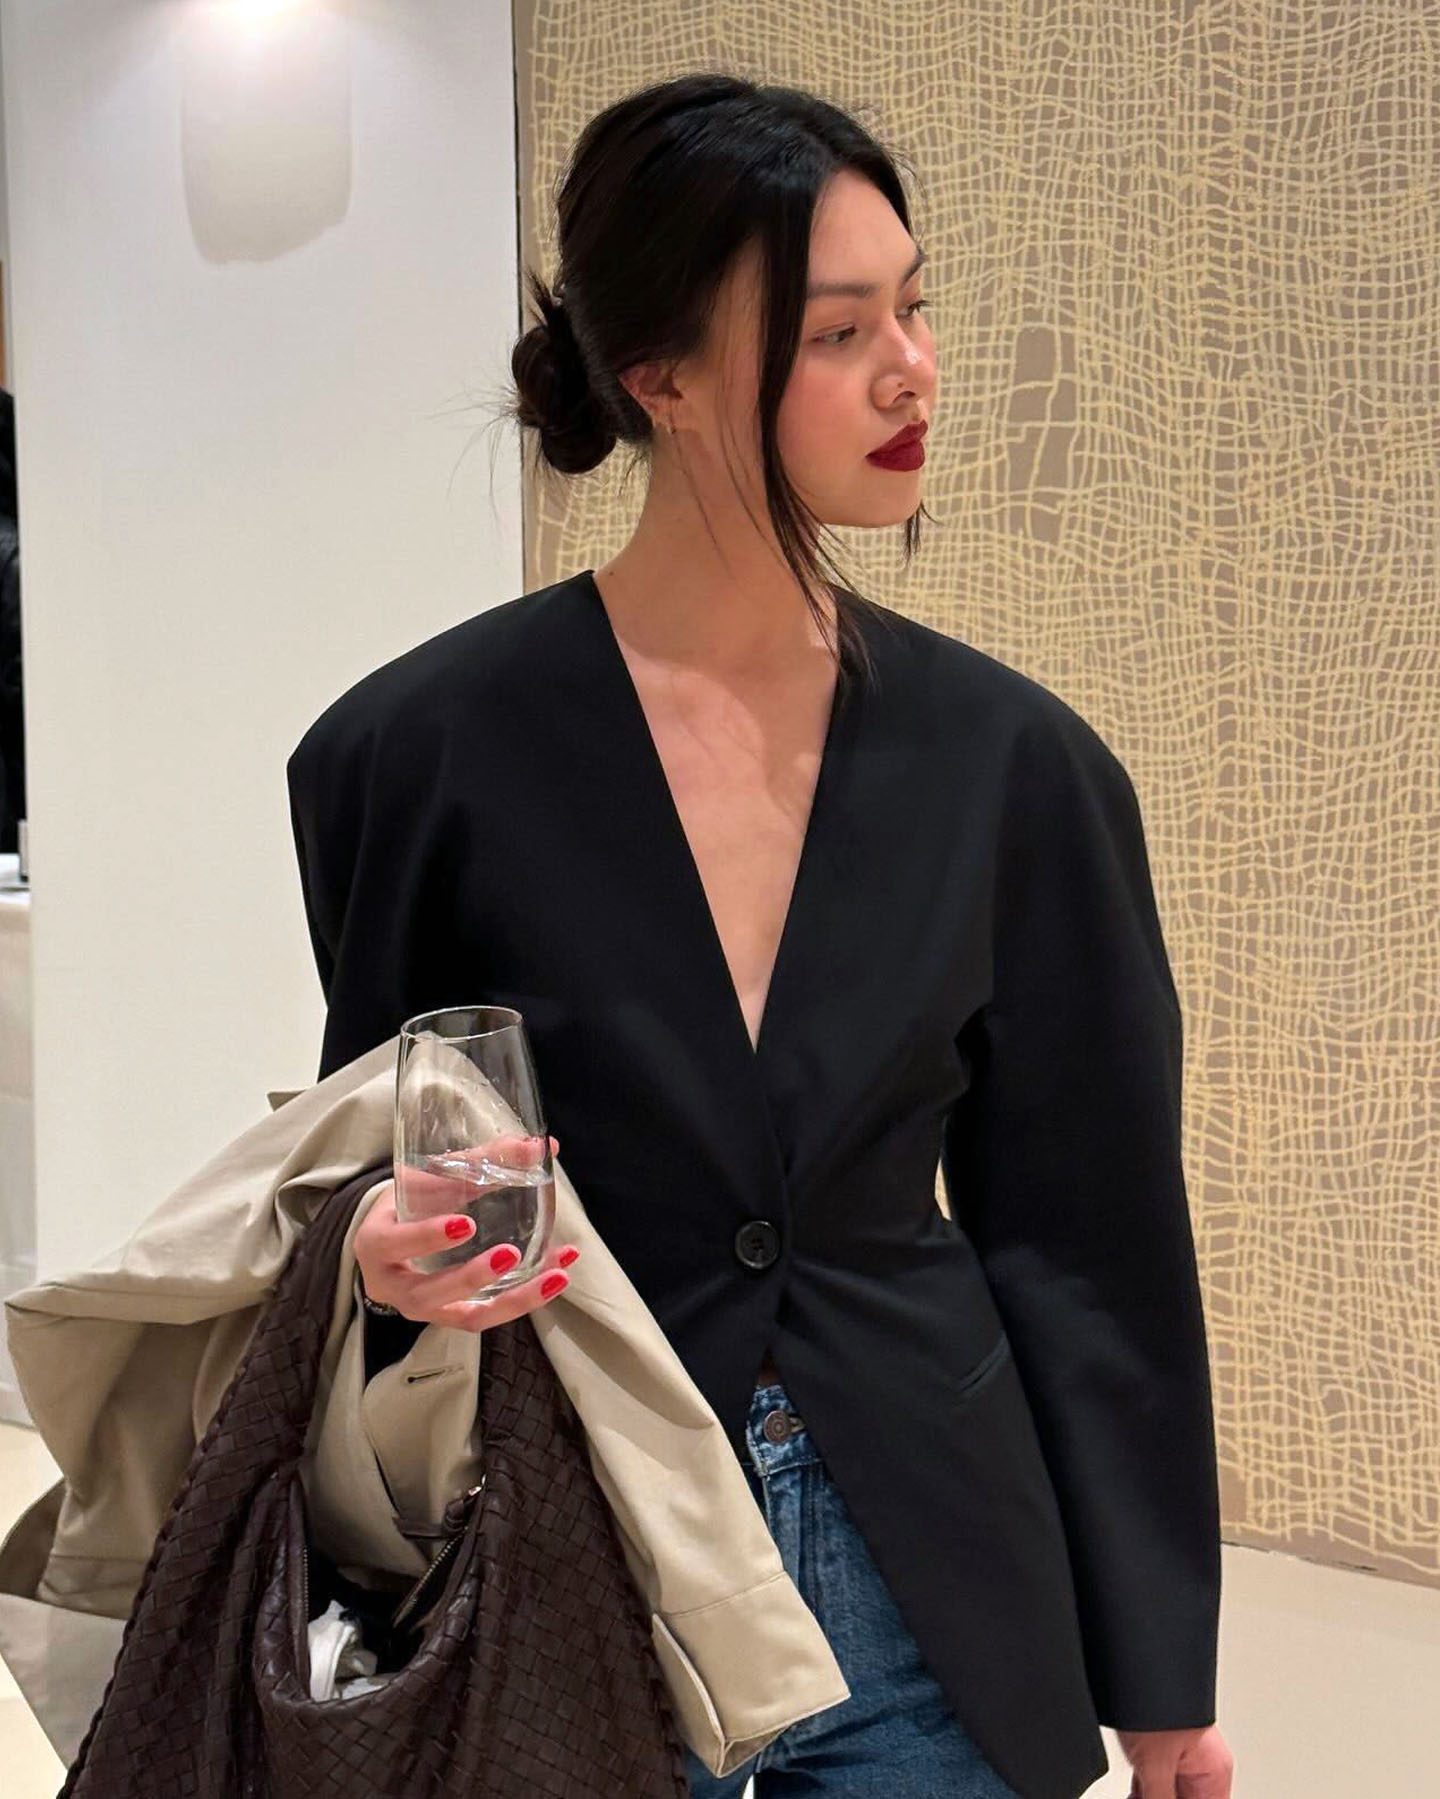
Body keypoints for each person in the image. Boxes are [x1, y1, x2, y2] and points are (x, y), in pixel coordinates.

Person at [286, 73, 1234, 1799]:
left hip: (925, 1593)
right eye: (836, 329)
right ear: (658, 374)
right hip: (566, 1562)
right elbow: (373, 1152)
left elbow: (1090, 1247)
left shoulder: (1018, 771)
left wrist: (1160, 1676)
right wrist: (381, 1254)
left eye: (917, 309)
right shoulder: (413, 756)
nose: (912, 369)